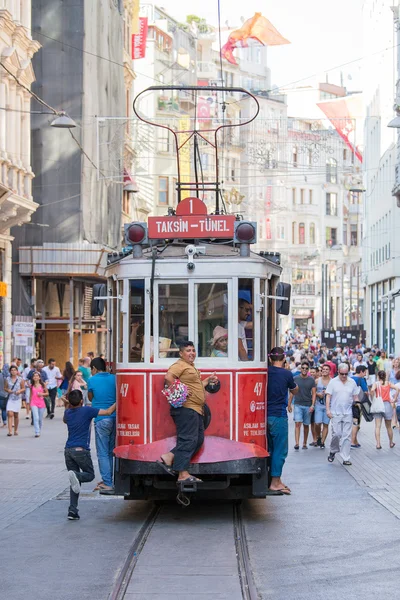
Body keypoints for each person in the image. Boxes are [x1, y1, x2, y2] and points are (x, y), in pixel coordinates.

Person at [159, 341, 218, 483]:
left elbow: (196, 386)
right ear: (181, 353)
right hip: (186, 409)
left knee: (197, 439)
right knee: (188, 440)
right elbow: (168, 377)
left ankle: (170, 456)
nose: (191, 353)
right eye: (188, 350)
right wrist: (179, 391)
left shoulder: (190, 367)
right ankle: (182, 474)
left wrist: (207, 380)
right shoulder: (179, 365)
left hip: (195, 409)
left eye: (193, 350)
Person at [63, 389, 116, 520]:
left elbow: (65, 419)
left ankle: (72, 510)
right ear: (82, 401)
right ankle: (75, 475)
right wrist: (119, 400)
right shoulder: (87, 411)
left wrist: (68, 403)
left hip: (68, 451)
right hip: (81, 450)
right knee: (89, 475)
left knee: (75, 482)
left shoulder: (67, 413)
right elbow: (108, 412)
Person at [266, 347, 298, 494]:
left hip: (265, 415)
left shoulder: (265, 372)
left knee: (271, 449)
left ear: (270, 358)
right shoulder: (287, 374)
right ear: (284, 358)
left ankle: (274, 480)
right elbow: (294, 390)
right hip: (278, 415)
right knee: (280, 450)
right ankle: (275, 482)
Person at [88, 357, 117, 494]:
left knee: (102, 453)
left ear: (93, 368)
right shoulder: (114, 378)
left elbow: (90, 397)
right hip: (114, 418)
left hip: (101, 419)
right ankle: (110, 480)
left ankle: (107, 482)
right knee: (111, 452)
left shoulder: (91, 380)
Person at [326, 363, 359, 466]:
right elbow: (328, 396)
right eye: (342, 374)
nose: (344, 376)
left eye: (346, 374)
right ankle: (333, 450)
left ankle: (345, 458)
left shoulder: (352, 382)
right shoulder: (333, 382)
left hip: (348, 412)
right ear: (338, 372)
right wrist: (328, 410)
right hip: (335, 412)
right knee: (336, 434)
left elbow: (355, 397)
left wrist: (358, 409)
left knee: (346, 436)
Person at [289, 362, 316, 450]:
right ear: (300, 369)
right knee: (297, 423)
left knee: (306, 425)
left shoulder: (311, 380)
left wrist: (312, 405)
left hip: (307, 405)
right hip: (297, 404)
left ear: (308, 370)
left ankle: (304, 442)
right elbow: (292, 392)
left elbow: (314, 393)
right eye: (303, 368)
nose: (304, 370)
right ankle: (297, 443)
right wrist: (289, 404)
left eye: (306, 368)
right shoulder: (295, 379)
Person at [371, 370, 397, 449]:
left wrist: (373, 396)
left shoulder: (376, 384)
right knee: (388, 426)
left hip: (378, 405)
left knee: (377, 426)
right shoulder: (388, 383)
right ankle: (391, 442)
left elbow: (372, 390)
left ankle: (378, 444)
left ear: (378, 376)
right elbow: (397, 388)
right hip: (387, 405)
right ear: (385, 376)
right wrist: (394, 399)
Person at [351, 365, 369, 448]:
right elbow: (366, 391)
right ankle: (352, 442)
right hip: (357, 403)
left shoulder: (349, 378)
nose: (365, 374)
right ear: (361, 371)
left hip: (348, 403)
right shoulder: (360, 379)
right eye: (364, 372)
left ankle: (355, 440)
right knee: (356, 423)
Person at [4, 365, 25, 436]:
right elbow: (5, 388)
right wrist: (8, 390)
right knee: (10, 414)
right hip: (10, 398)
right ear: (10, 371)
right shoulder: (7, 379)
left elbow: (23, 388)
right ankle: (10, 431)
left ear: (17, 371)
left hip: (18, 398)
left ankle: (16, 430)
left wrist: (19, 391)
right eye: (12, 370)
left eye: (14, 370)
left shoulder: (20, 379)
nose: (13, 371)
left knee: (16, 415)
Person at [314, 363, 331, 449]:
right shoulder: (317, 381)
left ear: (329, 371)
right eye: (323, 369)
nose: (324, 371)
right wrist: (317, 394)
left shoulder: (332, 381)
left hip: (328, 406)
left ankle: (322, 442)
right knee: (317, 423)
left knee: (325, 424)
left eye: (326, 369)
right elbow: (312, 392)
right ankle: (318, 436)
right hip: (318, 405)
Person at [30, 372, 48, 438]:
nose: (35, 377)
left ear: (39, 377)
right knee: (36, 417)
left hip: (41, 403)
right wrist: (29, 404)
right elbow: (31, 395)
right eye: (34, 376)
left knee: (40, 419)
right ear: (33, 378)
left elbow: (47, 393)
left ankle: (39, 430)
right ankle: (37, 432)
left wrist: (42, 394)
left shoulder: (43, 385)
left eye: (37, 376)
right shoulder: (31, 385)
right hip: (33, 403)